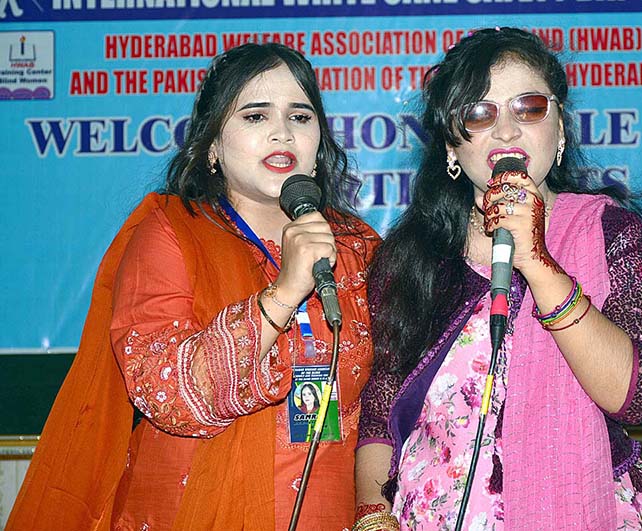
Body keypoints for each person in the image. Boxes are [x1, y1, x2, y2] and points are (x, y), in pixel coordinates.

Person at [8, 42, 379, 531]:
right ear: (211, 146)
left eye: (301, 116)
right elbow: (168, 393)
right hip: (193, 513)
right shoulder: (169, 234)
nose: (282, 133)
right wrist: (283, 292)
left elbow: (388, 397)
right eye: (254, 116)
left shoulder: (357, 246)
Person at [354, 27, 642, 531]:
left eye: (528, 107)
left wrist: (537, 261)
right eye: (479, 113)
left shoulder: (607, 233)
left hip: (583, 508)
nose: (506, 131)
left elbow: (637, 395)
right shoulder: (410, 258)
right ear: (451, 144)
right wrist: (373, 518)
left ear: (560, 132)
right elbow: (380, 414)